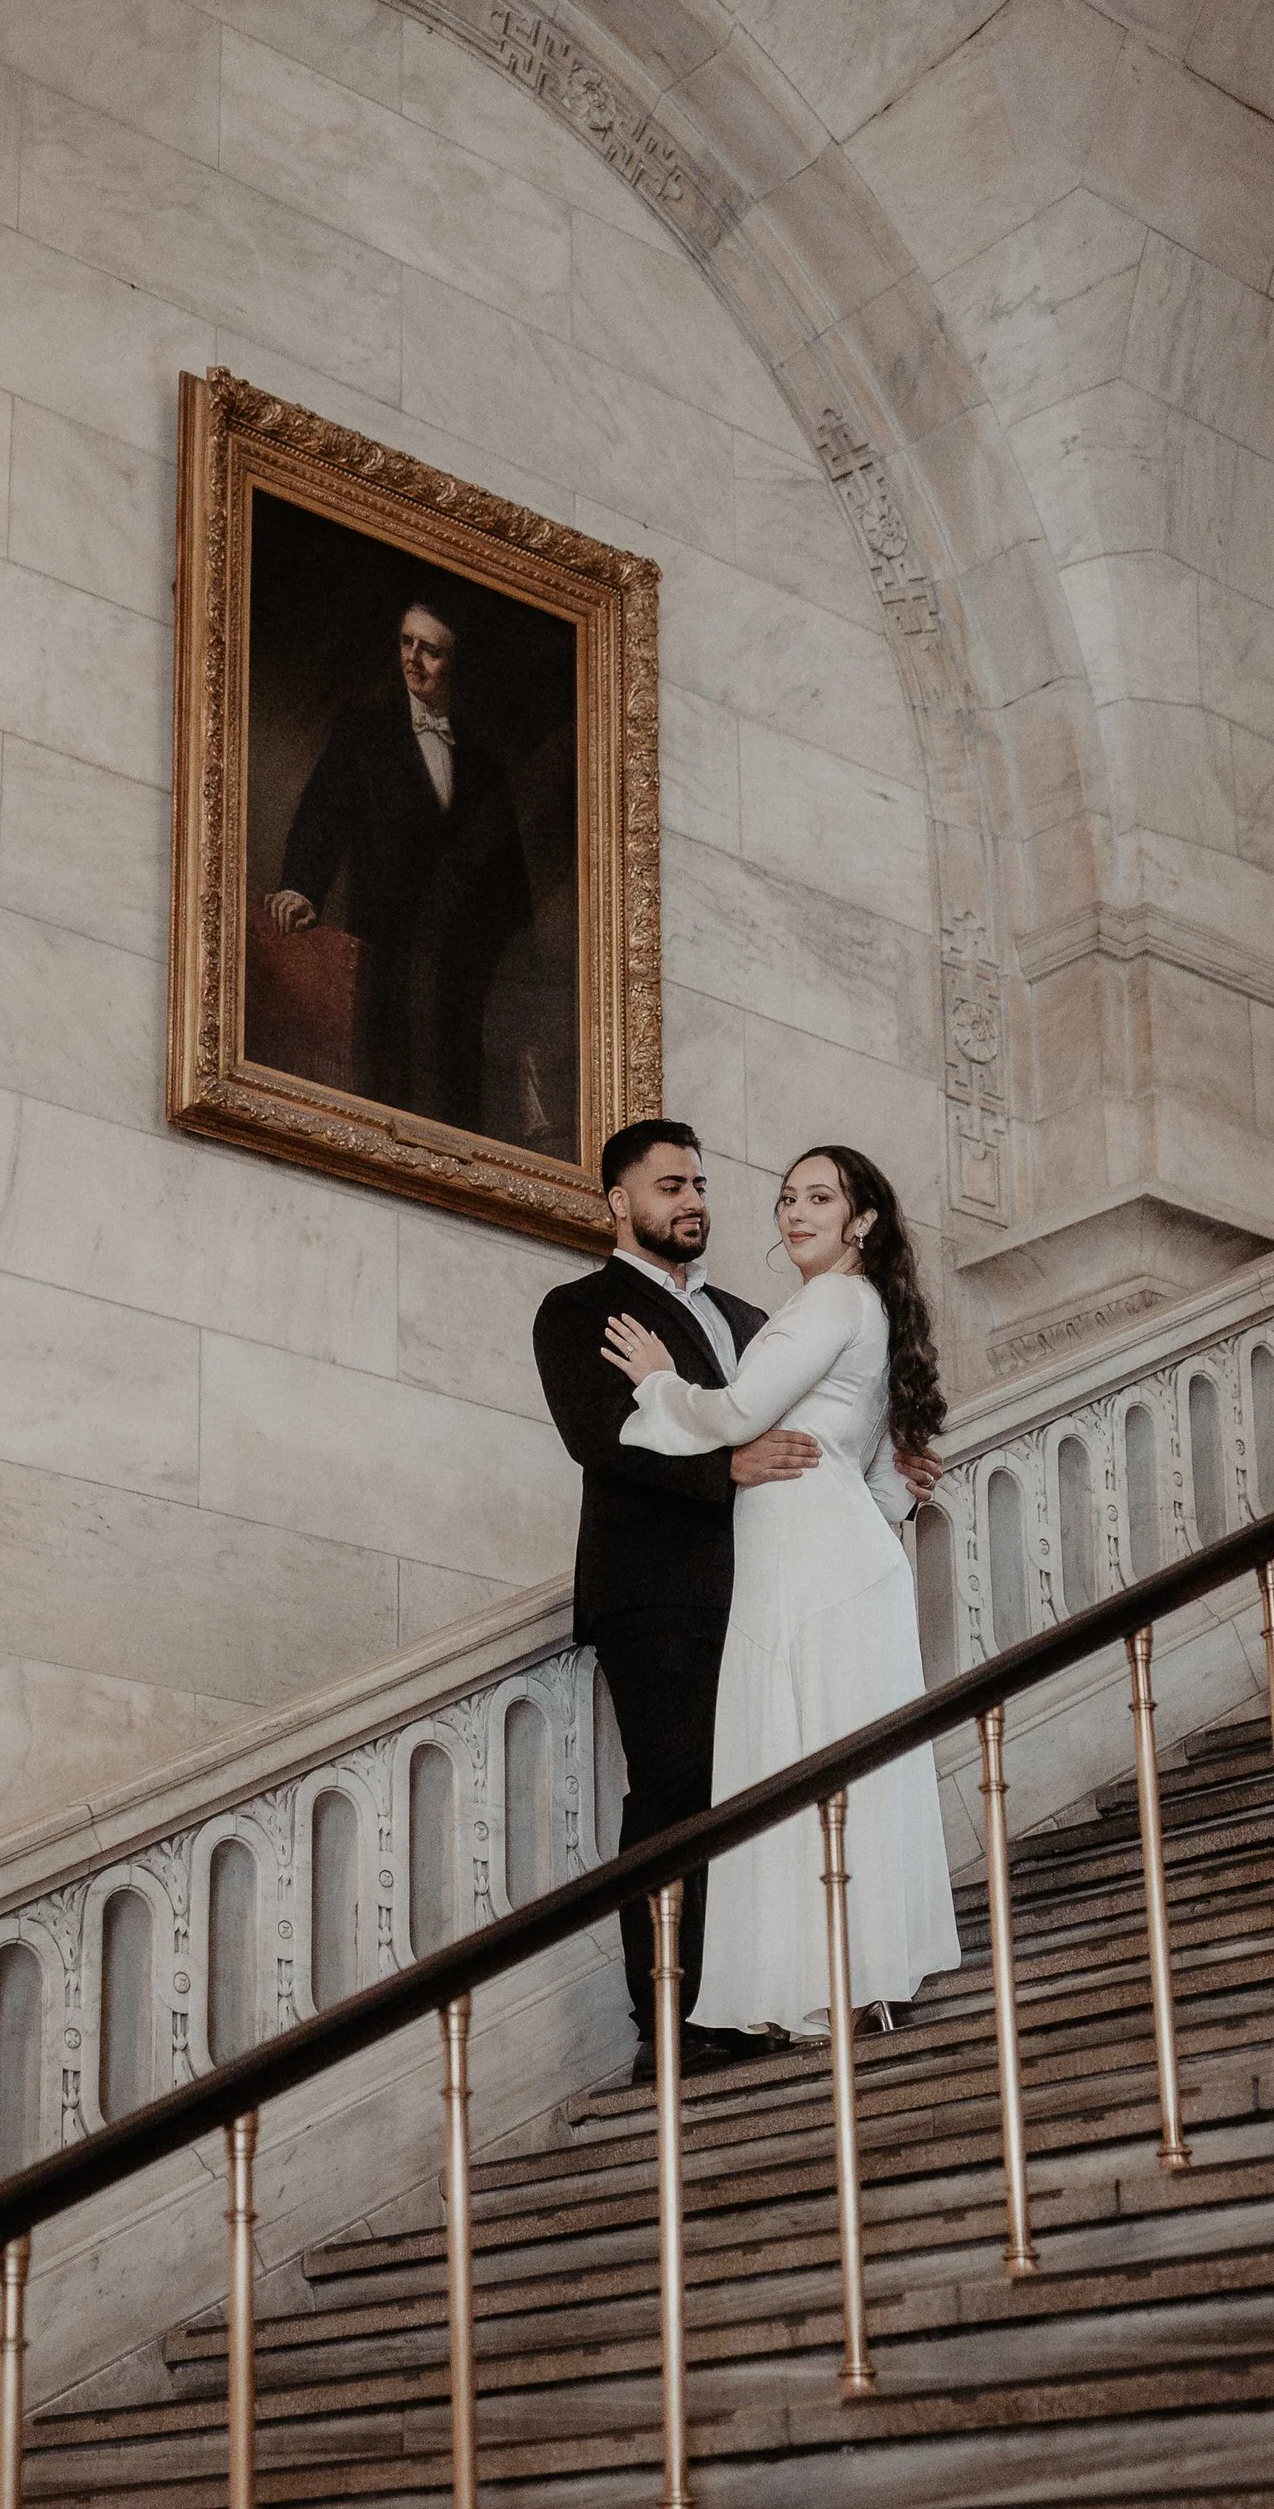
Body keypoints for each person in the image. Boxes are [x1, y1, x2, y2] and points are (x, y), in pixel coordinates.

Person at [601, 1145, 959, 2040]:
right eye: (786, 1198)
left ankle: (830, 1987)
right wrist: (904, 1486)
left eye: (819, 1198)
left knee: (802, 1766)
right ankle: (840, 1986)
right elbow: (875, 1485)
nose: (794, 1213)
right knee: (825, 1770)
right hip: (831, 1563)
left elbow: (736, 1415)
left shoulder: (833, 1300)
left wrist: (655, 1377)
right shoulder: (855, 1305)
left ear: (861, 1221)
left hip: (815, 1576)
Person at [531, 1123, 829, 2081]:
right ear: (619, 1201)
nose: (691, 1198)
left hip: (760, 1588)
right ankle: (664, 2024)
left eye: (699, 1181)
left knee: (751, 1794)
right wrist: (727, 1467)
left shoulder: (749, 1317)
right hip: (655, 1592)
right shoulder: (579, 1306)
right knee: (674, 1797)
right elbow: (601, 1436)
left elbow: (802, 1424)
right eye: (669, 1185)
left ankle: (740, 2000)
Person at [264, 596, 531, 1132]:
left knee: (456, 1105)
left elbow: (510, 886)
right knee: (384, 1094)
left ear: (456, 662)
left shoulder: (482, 765)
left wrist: (497, 958)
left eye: (430, 650)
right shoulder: (365, 732)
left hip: (458, 972)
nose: (412, 659)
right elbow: (322, 815)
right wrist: (300, 887)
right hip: (383, 955)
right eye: (406, 643)